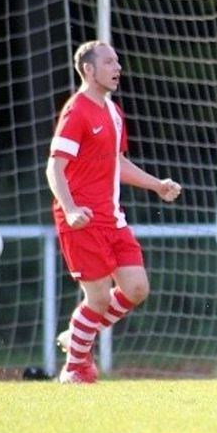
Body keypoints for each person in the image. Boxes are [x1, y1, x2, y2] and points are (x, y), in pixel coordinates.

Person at [46, 40, 182, 384]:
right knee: (98, 298)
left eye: (118, 62)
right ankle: (75, 369)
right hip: (82, 219)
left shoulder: (113, 112)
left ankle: (79, 336)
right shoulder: (76, 111)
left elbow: (117, 162)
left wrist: (156, 185)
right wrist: (71, 208)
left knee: (137, 288)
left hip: (112, 218)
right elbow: (54, 168)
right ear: (88, 70)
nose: (117, 68)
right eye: (109, 62)